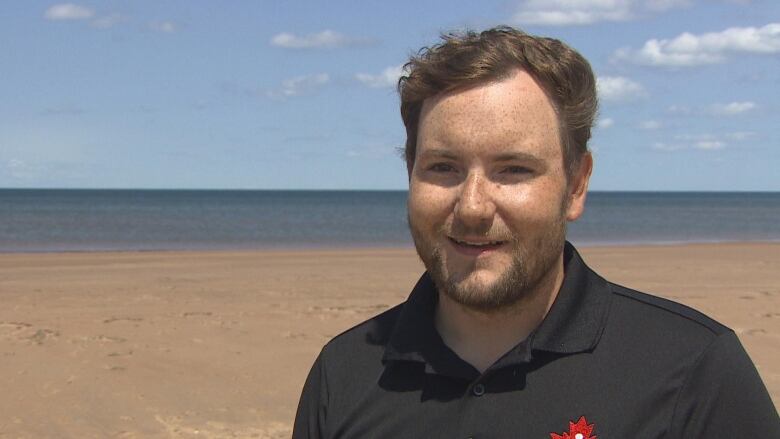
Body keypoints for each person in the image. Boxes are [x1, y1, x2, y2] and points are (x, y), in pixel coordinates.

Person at [293, 26, 779, 438]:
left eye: (514, 170)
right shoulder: (346, 372)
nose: (473, 207)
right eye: (443, 167)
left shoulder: (690, 370)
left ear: (576, 185)